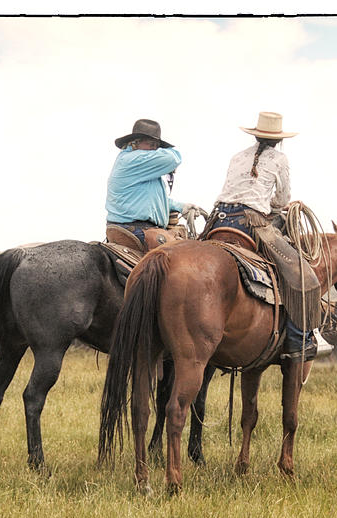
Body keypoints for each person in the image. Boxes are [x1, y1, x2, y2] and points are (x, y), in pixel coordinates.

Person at [210, 111, 321, 367]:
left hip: (219, 220)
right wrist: (272, 204)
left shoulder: (237, 156)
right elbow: (282, 200)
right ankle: (298, 340)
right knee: (299, 275)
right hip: (251, 223)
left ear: (256, 134)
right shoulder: (280, 159)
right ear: (279, 139)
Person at [106, 118, 199, 248]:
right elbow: (174, 158)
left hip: (131, 227)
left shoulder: (139, 165)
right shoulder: (135, 159)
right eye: (151, 145)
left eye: (156, 146)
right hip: (137, 230)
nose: (155, 150)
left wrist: (179, 206)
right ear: (135, 143)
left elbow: (152, 199)